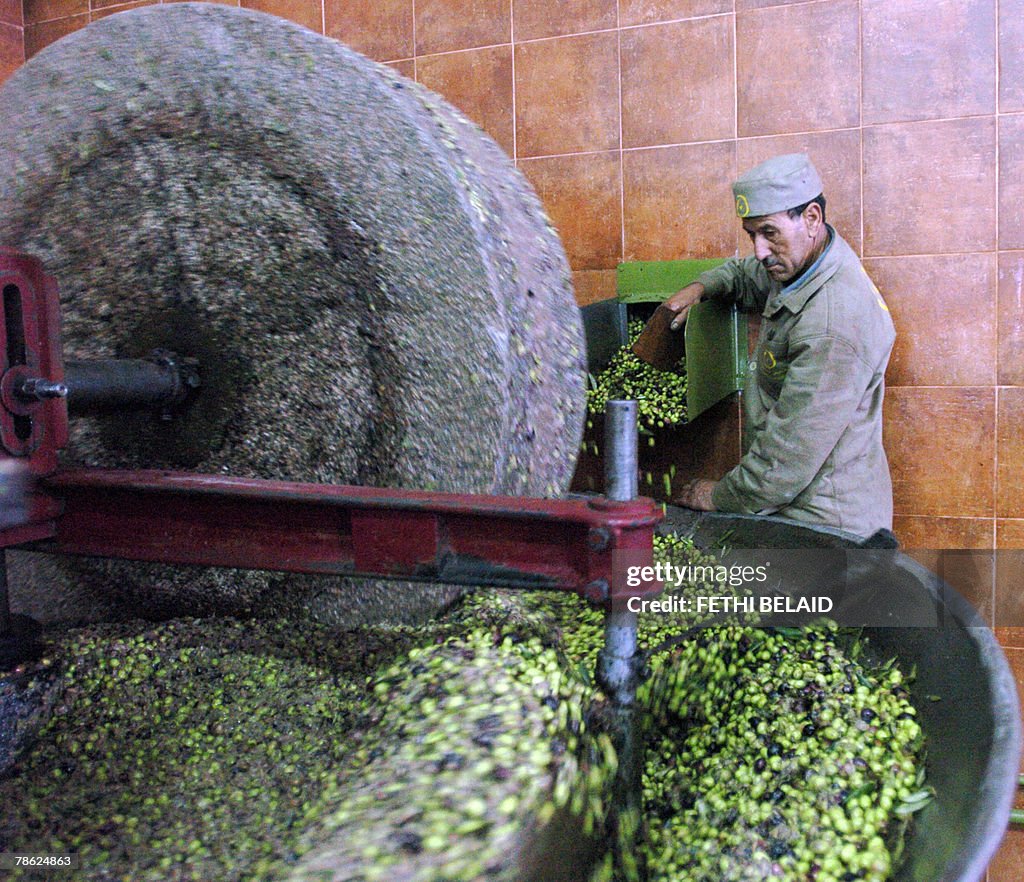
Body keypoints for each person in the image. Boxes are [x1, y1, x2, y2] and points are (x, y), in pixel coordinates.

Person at [667, 153, 896, 540]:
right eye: (751, 235)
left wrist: (718, 496)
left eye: (768, 232)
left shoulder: (833, 322)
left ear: (810, 218)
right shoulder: (804, 263)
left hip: (825, 529)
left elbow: (788, 458)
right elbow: (745, 274)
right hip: (793, 508)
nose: (759, 250)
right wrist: (702, 287)